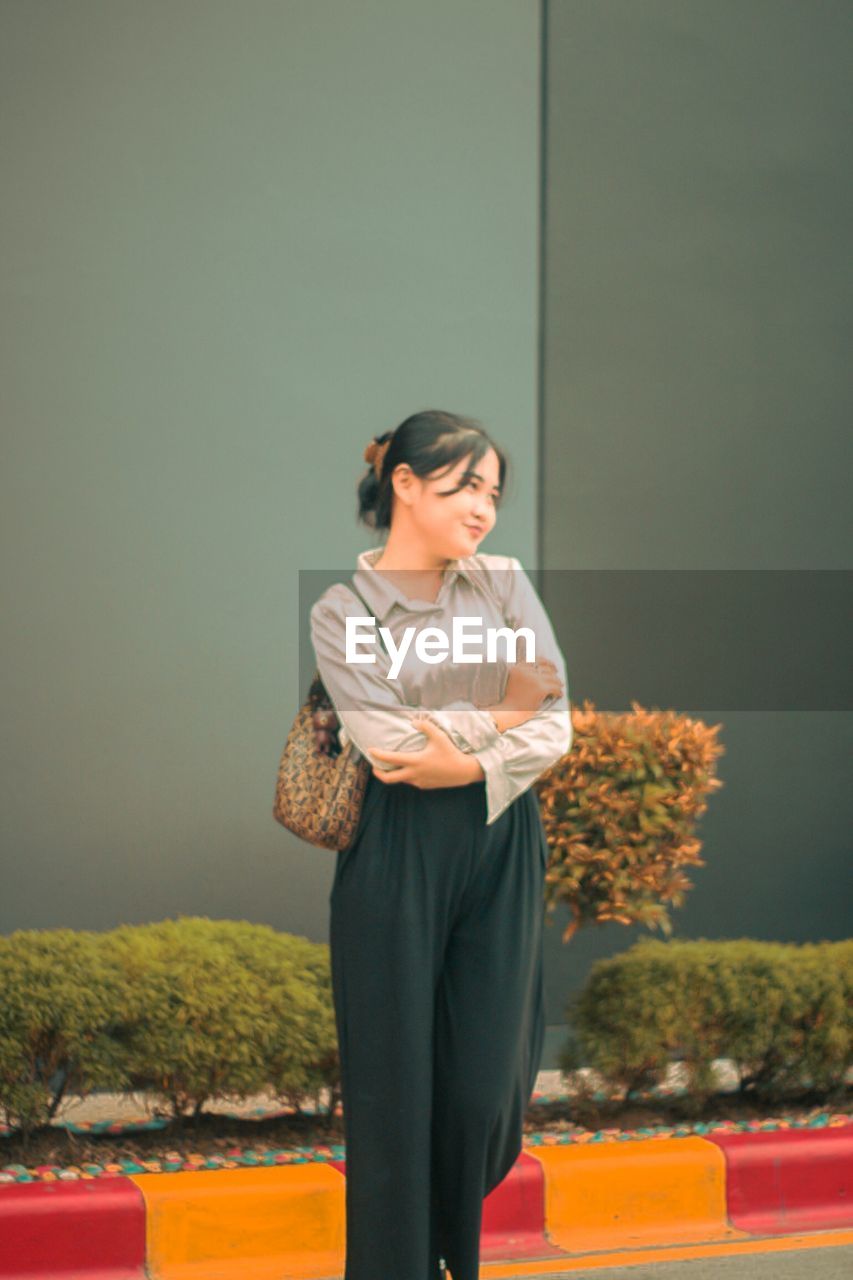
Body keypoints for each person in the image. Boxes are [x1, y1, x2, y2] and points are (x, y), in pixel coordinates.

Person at [309, 409, 573, 1280]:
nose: (483, 509)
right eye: (465, 486)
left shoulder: (501, 583)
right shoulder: (342, 611)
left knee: (481, 1090)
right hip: (394, 858)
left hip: (502, 841)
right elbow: (393, 752)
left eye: (493, 492)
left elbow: (556, 723)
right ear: (406, 484)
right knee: (392, 1098)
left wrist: (463, 747)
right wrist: (500, 713)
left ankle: (447, 1244)